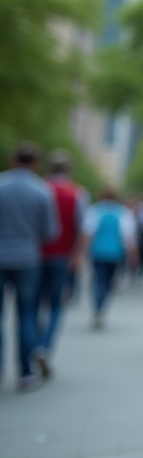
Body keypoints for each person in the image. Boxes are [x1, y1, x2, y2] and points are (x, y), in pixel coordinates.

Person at [0, 142, 59, 391]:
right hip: (27, 258)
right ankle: (25, 371)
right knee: (27, 314)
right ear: (36, 163)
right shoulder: (42, 191)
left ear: (14, 159)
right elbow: (50, 232)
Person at [34, 149, 88, 378]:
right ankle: (44, 346)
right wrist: (77, 255)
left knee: (31, 305)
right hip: (61, 256)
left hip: (34, 256)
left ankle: (33, 345)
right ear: (69, 169)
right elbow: (83, 228)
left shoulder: (39, 189)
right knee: (56, 304)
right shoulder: (77, 193)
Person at [80, 187, 139, 329]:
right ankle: (101, 307)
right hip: (114, 253)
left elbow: (87, 233)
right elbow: (128, 237)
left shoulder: (95, 211)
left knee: (98, 280)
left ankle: (98, 307)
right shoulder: (123, 213)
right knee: (107, 282)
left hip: (98, 252)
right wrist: (133, 254)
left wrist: (81, 251)